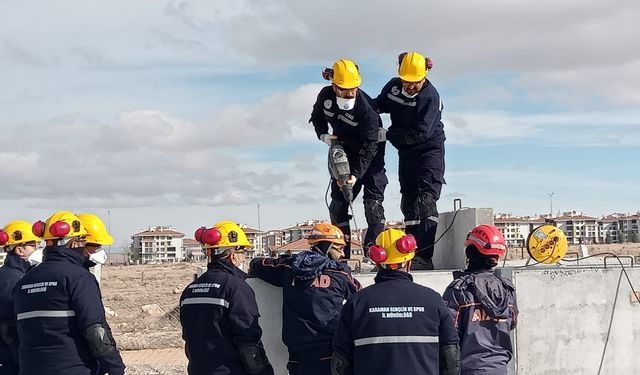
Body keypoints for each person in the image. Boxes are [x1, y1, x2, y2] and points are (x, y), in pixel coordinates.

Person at [332, 228, 460, 375]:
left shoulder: (357, 303)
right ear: (409, 263)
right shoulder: (433, 300)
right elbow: (451, 358)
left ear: (378, 263)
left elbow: (341, 362)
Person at [13, 211, 125, 375]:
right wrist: (115, 368)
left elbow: (15, 333)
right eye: (84, 241)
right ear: (74, 244)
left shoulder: (23, 282)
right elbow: (95, 331)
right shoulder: (78, 278)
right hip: (73, 368)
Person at [249, 223, 360, 375]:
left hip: (297, 351)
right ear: (327, 246)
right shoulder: (339, 272)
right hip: (330, 349)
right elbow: (361, 297)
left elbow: (259, 265)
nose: (342, 254)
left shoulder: (289, 267)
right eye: (339, 248)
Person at [310, 58, 388, 257]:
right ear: (334, 85)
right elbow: (317, 116)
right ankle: (341, 255)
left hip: (371, 157)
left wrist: (355, 175)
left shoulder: (366, 109)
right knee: (338, 204)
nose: (350, 93)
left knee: (373, 206)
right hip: (344, 152)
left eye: (354, 88)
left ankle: (373, 252)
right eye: (345, 89)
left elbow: (370, 146)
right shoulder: (325, 96)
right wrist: (324, 135)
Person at [375, 51, 445, 270]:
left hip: (428, 150)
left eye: (416, 82)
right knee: (408, 200)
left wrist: (388, 135)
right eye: (407, 81)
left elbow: (421, 133)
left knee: (426, 199)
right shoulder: (394, 88)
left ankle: (425, 255)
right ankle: (411, 252)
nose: (411, 86)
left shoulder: (430, 97)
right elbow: (377, 104)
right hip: (406, 152)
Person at [180, 221, 274, 375]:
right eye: (243, 252)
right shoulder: (236, 288)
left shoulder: (190, 290)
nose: (244, 259)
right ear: (233, 255)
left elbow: (189, 341)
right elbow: (249, 344)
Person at [443, 225, 518, 375]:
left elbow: (449, 334)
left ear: (470, 253)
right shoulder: (507, 289)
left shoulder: (459, 289)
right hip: (499, 369)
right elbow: (512, 322)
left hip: (470, 369)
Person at [0, 220, 43, 375]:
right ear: (19, 249)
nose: (39, 248)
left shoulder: (19, 275)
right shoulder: (13, 280)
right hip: (9, 361)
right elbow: (7, 326)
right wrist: (23, 361)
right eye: (34, 244)